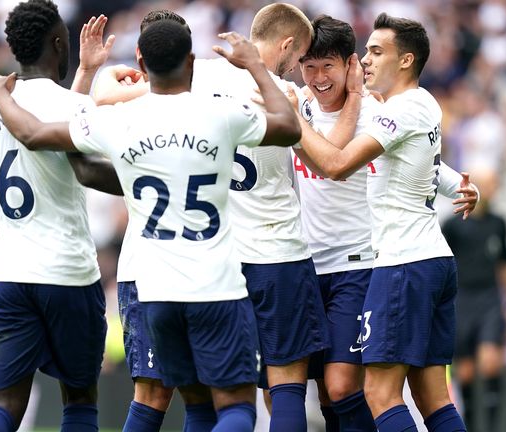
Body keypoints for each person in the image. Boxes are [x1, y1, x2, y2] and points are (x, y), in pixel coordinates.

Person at [0, 19, 303, 431]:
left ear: (141, 63)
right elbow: (289, 126)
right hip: (216, 286)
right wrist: (255, 65)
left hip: (156, 292)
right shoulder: (222, 113)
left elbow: (32, 133)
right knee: (237, 409)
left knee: (197, 408)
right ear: (191, 61)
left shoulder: (120, 120)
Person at [92, 5, 359, 431]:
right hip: (278, 254)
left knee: (207, 398)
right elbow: (330, 158)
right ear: (287, 46)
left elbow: (103, 98)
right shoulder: (282, 96)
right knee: (285, 385)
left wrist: (108, 71)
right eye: (299, 58)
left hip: (221, 265)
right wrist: (357, 98)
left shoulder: (198, 78)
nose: (297, 69)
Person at [295, 15, 479, 432]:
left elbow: (337, 164)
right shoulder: (417, 104)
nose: (366, 59)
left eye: (377, 51)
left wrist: (293, 123)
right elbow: (419, 159)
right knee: (433, 398)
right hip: (431, 259)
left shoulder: (400, 108)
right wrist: (462, 187)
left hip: (402, 264)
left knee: (379, 394)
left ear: (406, 60)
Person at [0, 1, 120, 431]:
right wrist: (148, 173)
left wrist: (24, 223)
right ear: (57, 42)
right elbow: (87, 167)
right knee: (80, 401)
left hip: (9, 276)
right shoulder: (69, 105)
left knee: (3, 407)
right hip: (67, 273)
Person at [442, 167, 506, 432]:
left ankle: (493, 426)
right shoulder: (453, 225)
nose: (494, 189)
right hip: (462, 299)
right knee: (468, 371)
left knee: (491, 362)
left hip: (490, 298)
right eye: (490, 183)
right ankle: (471, 426)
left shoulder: (499, 223)